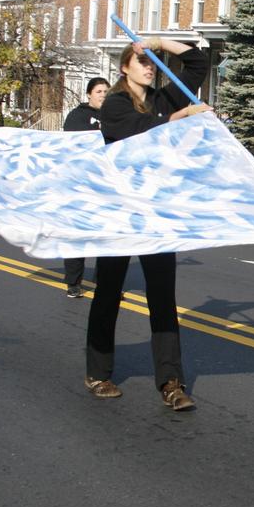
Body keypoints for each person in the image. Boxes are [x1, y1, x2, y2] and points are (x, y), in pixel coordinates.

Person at [86, 37, 211, 410]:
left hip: (156, 211)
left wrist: (156, 41)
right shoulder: (115, 104)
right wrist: (181, 117)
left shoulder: (161, 98)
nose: (149, 65)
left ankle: (171, 383)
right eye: (141, 60)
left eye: (152, 61)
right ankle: (98, 372)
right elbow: (141, 129)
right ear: (124, 67)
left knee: (162, 296)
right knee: (109, 291)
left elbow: (198, 63)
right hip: (120, 210)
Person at [62, 77, 110, 298]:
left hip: (107, 185)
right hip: (80, 185)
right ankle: (73, 282)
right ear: (90, 93)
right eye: (99, 91)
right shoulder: (77, 116)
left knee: (107, 237)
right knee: (78, 235)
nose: (103, 94)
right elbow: (73, 148)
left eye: (106, 91)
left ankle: (107, 284)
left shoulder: (114, 116)